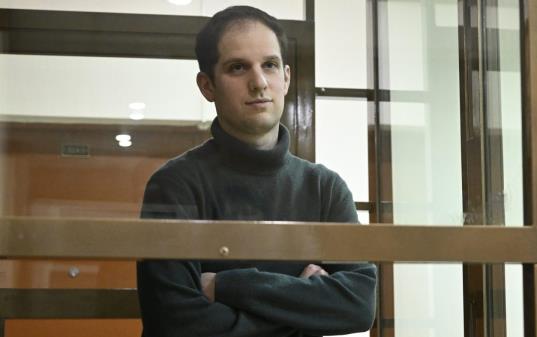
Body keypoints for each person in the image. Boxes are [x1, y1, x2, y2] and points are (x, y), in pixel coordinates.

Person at [137, 5, 377, 337]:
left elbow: (359, 305)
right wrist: (303, 313)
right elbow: (176, 322)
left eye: (270, 65)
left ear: (287, 78)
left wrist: (230, 286)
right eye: (238, 68)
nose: (259, 82)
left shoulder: (325, 187)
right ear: (208, 86)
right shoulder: (174, 185)